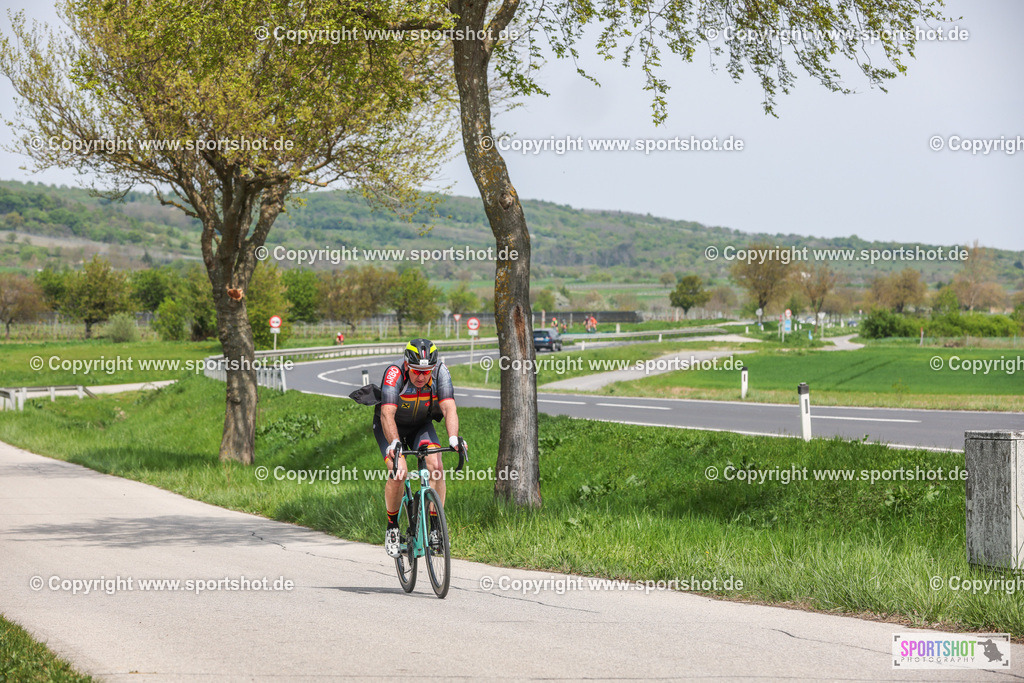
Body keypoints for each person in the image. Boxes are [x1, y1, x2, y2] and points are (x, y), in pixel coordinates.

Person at [375, 338, 466, 557]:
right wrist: (394, 443)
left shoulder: (441, 372)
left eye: (426, 372)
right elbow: (387, 413)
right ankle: (392, 527)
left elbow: (449, 408)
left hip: (420, 425)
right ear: (407, 365)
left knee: (436, 465)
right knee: (399, 473)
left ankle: (435, 527)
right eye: (416, 371)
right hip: (390, 426)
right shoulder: (394, 373)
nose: (421, 376)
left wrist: (453, 438)